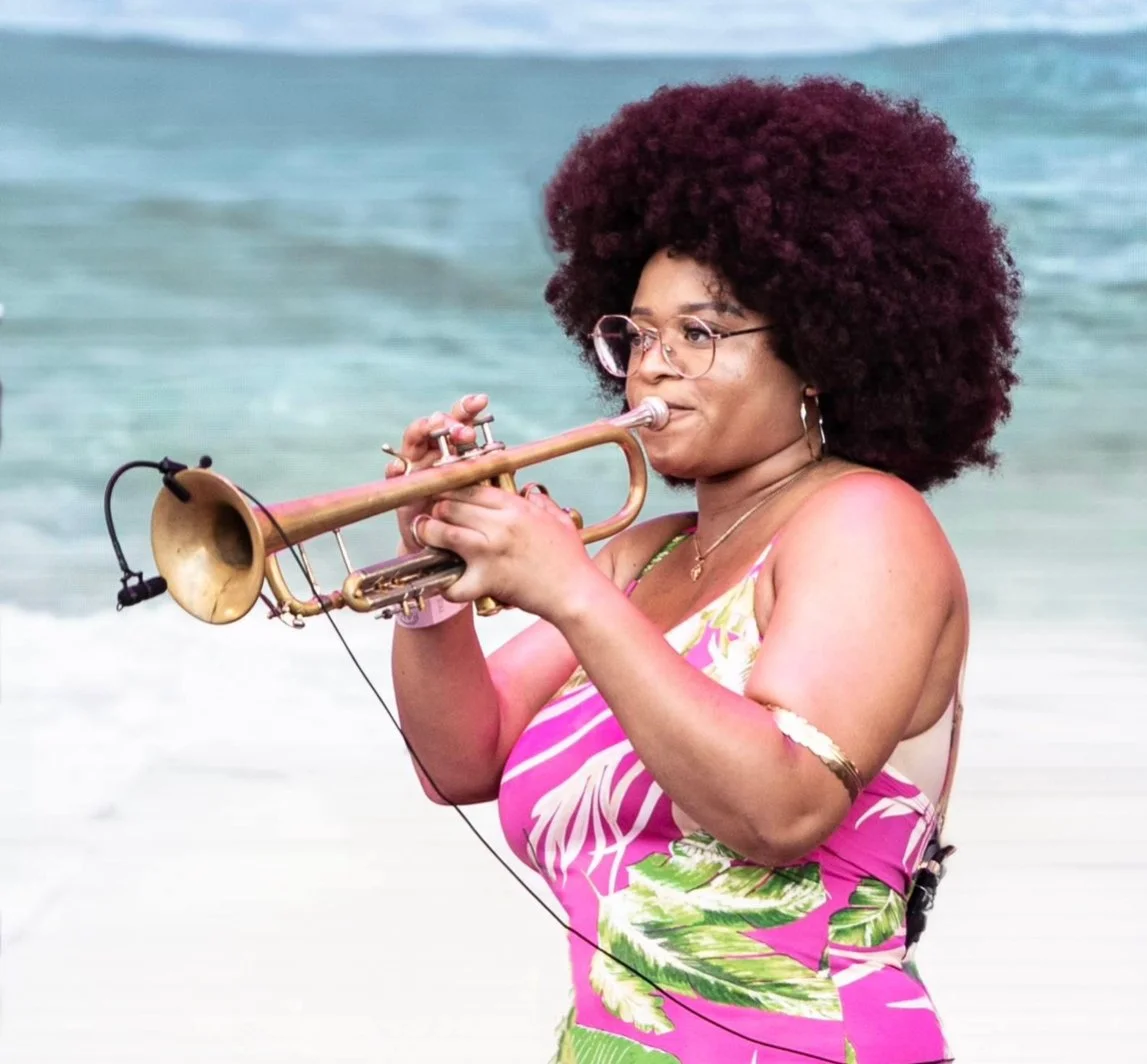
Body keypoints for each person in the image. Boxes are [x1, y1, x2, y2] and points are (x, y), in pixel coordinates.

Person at [385, 76, 1020, 1064]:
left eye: (701, 332)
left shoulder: (866, 523)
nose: (652, 364)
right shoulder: (644, 554)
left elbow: (781, 808)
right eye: (637, 333)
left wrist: (570, 589)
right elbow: (457, 762)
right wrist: (427, 577)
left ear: (819, 350)